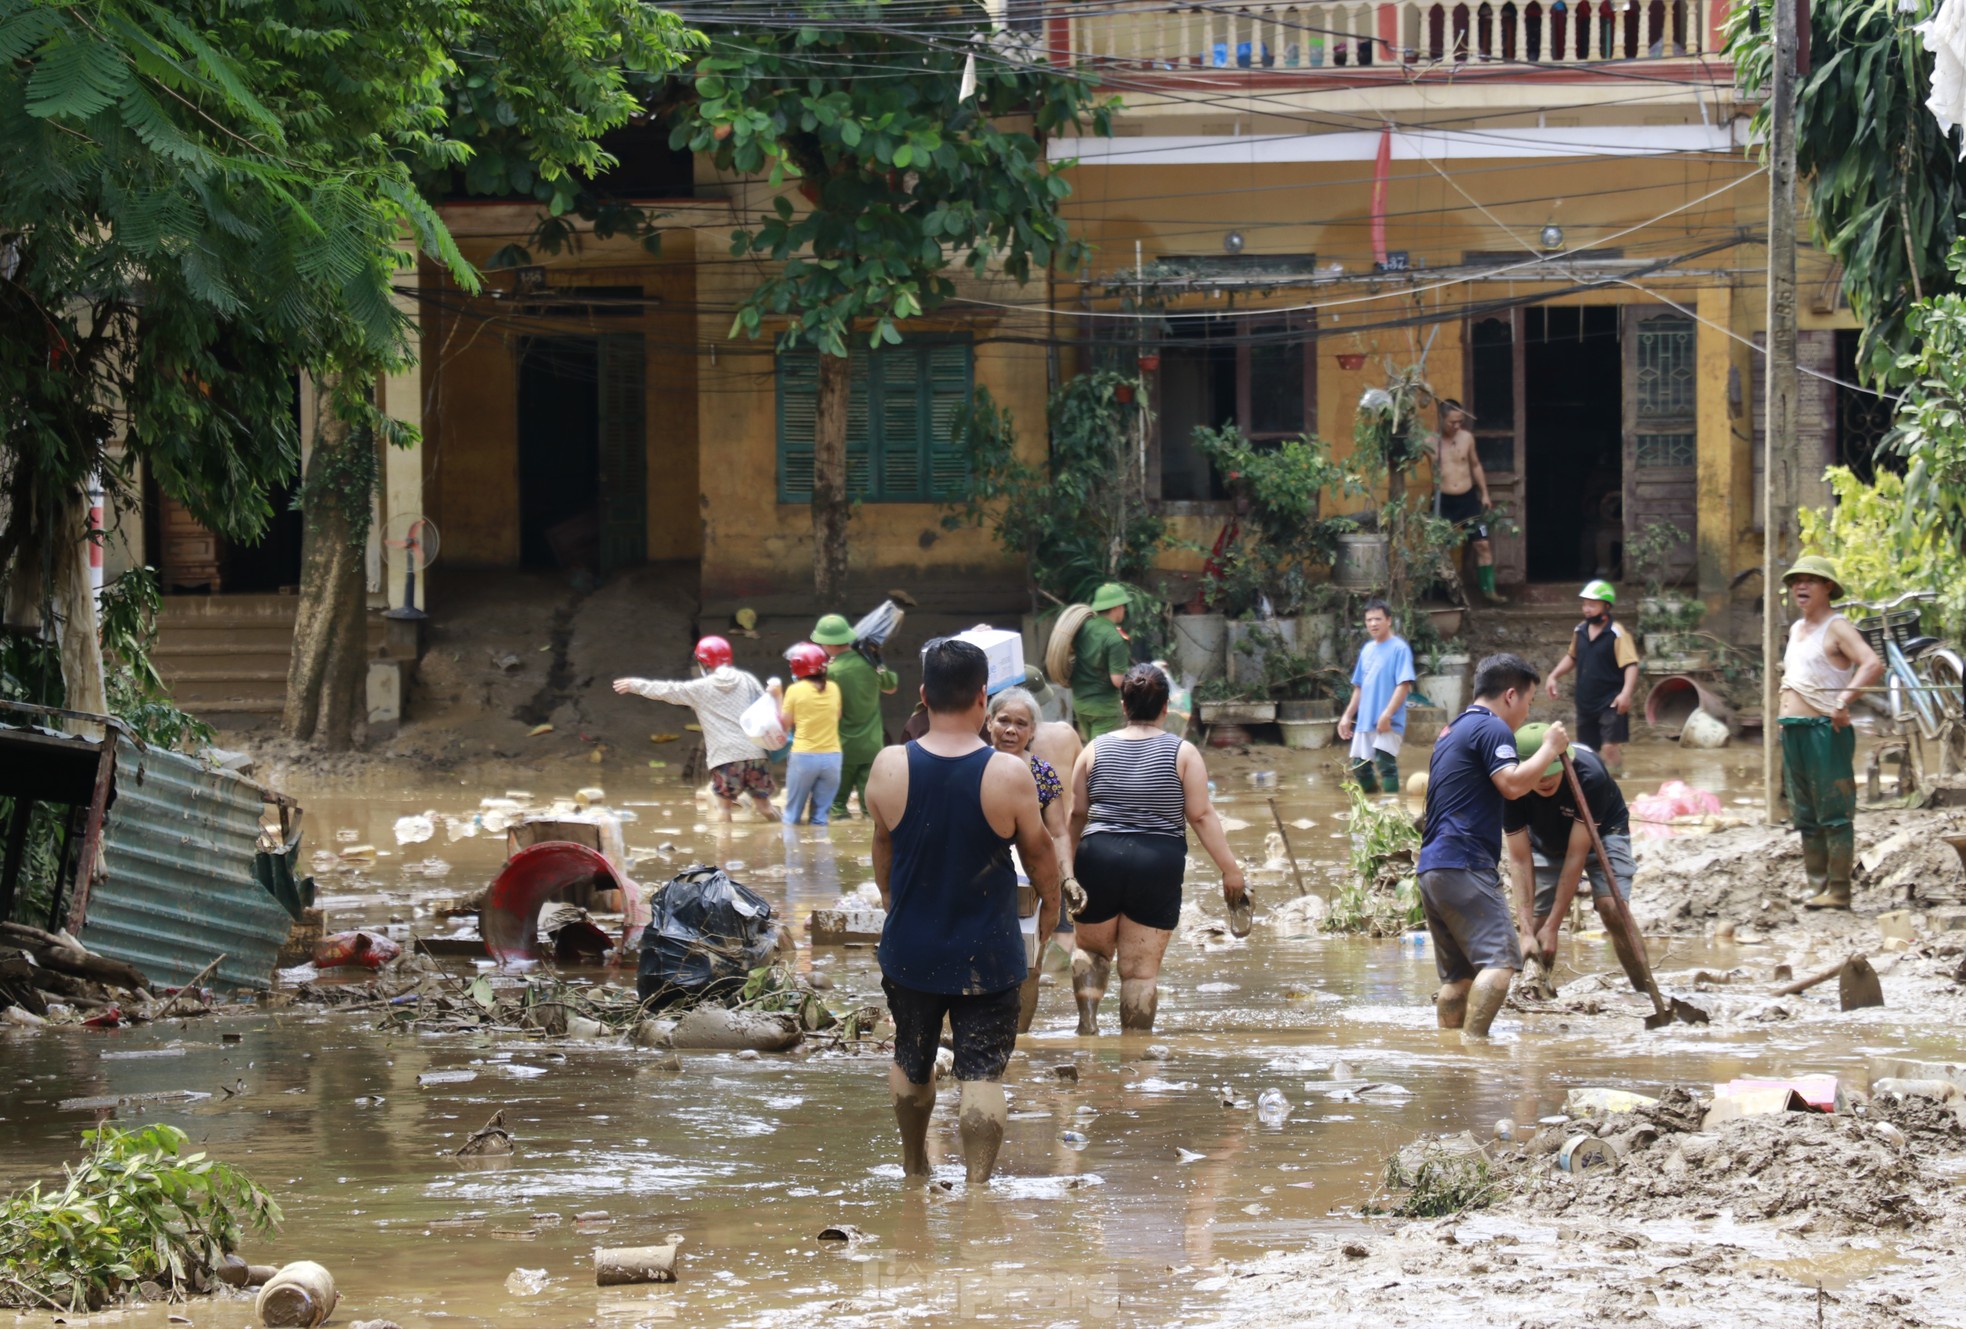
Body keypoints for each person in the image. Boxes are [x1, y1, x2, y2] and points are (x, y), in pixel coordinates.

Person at [866, 638, 1061, 1184]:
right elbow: (1041, 855)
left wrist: (890, 902)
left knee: (911, 1059)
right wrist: (1049, 915)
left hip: (911, 948)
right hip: (988, 950)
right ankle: (977, 1189)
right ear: (983, 698)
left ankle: (913, 1169)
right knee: (981, 1074)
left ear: (924, 695)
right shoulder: (1008, 774)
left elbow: (883, 846)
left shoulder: (888, 766)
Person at [1068, 664, 1246, 1035]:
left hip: (1098, 856)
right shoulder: (1184, 753)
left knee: (1092, 951)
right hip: (1156, 862)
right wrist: (1230, 870)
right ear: (1166, 706)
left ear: (1123, 705)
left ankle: (1087, 1023)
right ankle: (1134, 1054)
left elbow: (1077, 815)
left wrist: (1065, 873)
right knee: (1140, 972)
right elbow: (1200, 815)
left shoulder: (1094, 749)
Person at [1417, 653, 1569, 1041]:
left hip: (1432, 867)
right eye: (1529, 703)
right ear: (1511, 695)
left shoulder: (1451, 731)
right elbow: (1513, 784)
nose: (1526, 714)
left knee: (1459, 978)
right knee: (1501, 962)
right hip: (1464, 861)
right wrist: (1550, 748)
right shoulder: (1492, 728)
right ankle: (1474, 1050)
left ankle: (1449, 1054)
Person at [1502, 723, 1654, 995]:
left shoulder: (1589, 776)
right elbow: (1519, 860)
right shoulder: (1510, 787)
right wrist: (1527, 931)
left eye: (1551, 772)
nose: (1545, 780)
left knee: (1613, 909)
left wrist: (1555, 926)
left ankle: (1645, 990)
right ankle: (1533, 994)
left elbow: (1576, 855)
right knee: (1535, 931)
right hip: (1546, 836)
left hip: (1603, 830)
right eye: (1538, 775)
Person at [1777, 555, 1883, 910]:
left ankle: (1839, 890)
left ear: (1828, 588)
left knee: (1834, 813)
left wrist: (1843, 699)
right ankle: (1815, 886)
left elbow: (1872, 664)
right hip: (1794, 730)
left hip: (1825, 730)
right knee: (1804, 813)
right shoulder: (1796, 629)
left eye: (1810, 580)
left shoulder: (1838, 627)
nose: (1800, 587)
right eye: (1796, 581)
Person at [988, 686, 1080, 1033]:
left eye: (1021, 724)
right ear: (989, 723)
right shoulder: (971, 765)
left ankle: (1018, 1041)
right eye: (1004, 721)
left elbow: (1058, 833)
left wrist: (1067, 878)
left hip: (1029, 883)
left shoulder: (1041, 773)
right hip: (978, 880)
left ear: (1032, 732)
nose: (1011, 730)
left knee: (1028, 966)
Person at [613, 637, 774, 822]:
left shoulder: (700, 688)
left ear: (703, 663)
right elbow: (766, 706)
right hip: (755, 753)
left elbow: (668, 690)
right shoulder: (747, 679)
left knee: (724, 810)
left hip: (725, 758)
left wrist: (635, 685)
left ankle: (725, 852)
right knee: (765, 807)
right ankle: (786, 838)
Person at [1543, 580, 1640, 774]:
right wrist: (1553, 676)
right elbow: (1572, 657)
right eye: (1585, 604)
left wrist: (1626, 694)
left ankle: (1618, 780)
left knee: (1609, 748)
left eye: (1592, 605)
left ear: (1606, 606)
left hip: (1611, 701)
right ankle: (1596, 785)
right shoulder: (1580, 630)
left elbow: (1631, 664)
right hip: (1586, 701)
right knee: (1587, 752)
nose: (1586, 609)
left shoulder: (1617, 633)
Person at [810, 613, 899, 820]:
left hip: (843, 747)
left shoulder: (832, 672)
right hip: (872, 745)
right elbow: (891, 686)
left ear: (828, 644)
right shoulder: (871, 665)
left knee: (837, 806)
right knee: (871, 809)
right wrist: (879, 662)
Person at [1337, 598, 1416, 793]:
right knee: (1360, 767)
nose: (1373, 623)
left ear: (1388, 620)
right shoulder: (1367, 650)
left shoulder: (1399, 648)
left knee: (1385, 764)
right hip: (1365, 720)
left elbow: (1404, 684)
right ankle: (1372, 805)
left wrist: (1387, 714)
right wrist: (1347, 716)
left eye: (1378, 619)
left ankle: (1391, 809)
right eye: (1369, 620)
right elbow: (1359, 687)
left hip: (1388, 720)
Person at [1432, 401, 1503, 604]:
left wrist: (1485, 493)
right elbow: (1406, 459)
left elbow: (1475, 464)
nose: (1456, 427)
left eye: (1460, 422)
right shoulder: (1430, 442)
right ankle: (1442, 593)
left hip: (1468, 502)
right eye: (1452, 422)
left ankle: (1489, 592)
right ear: (1441, 419)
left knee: (1482, 543)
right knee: (1438, 548)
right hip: (1442, 502)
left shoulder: (1467, 438)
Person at [778, 642, 844, 826]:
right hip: (833, 758)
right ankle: (821, 854)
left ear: (797, 666)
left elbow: (784, 724)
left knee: (792, 817)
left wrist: (776, 696)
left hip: (804, 757)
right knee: (820, 819)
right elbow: (837, 715)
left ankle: (793, 853)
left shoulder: (794, 690)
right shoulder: (834, 688)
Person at [1069, 583, 1134, 741]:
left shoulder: (1082, 628)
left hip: (1080, 705)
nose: (1124, 610)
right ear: (1117, 607)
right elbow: (1118, 680)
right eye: (1123, 606)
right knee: (1104, 760)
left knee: (1091, 751)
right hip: (1105, 710)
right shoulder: (1114, 638)